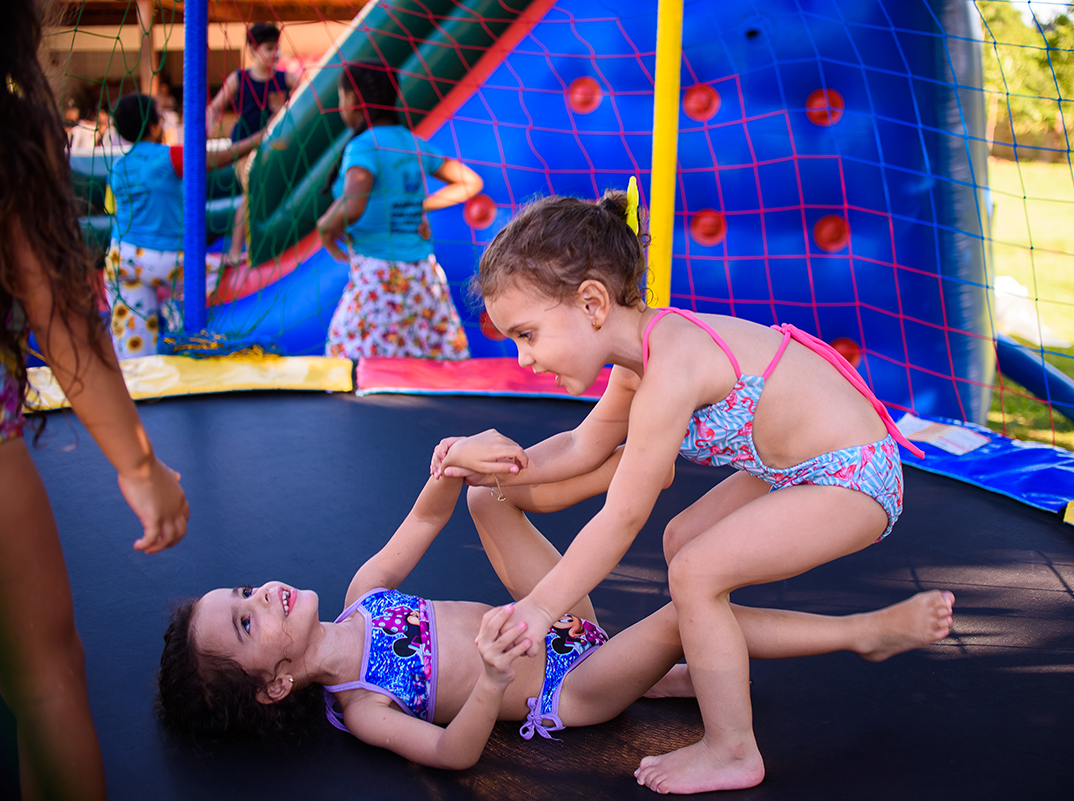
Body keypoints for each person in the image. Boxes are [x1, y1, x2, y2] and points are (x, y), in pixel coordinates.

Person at [432, 188, 954, 793]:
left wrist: (539, 609)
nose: (523, 359)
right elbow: (580, 446)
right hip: (791, 467)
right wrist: (495, 468)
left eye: (527, 335)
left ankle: (732, 749)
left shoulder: (672, 366)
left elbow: (623, 516)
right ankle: (722, 661)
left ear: (592, 303)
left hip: (852, 475)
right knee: (684, 542)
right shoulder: (638, 361)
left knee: (696, 572)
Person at [155, 431, 953, 768]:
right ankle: (862, 631)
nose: (260, 593)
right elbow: (453, 753)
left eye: (242, 590)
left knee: (485, 496)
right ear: (275, 683)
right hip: (568, 687)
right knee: (685, 615)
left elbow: (426, 516)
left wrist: (453, 460)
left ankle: (622, 465)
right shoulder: (364, 704)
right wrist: (494, 680)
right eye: (247, 619)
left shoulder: (364, 596)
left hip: (563, 619)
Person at [0, 2, 190, 798]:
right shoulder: (10, 127)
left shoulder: (121, 162)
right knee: (44, 676)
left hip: (138, 261)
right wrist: (140, 466)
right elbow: (63, 316)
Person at [315, 59, 481, 360]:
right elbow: (470, 182)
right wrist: (420, 206)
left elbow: (354, 204)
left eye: (340, 97)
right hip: (422, 276)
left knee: (347, 358)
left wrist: (326, 226)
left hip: (380, 277)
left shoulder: (363, 146)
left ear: (351, 99)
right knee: (430, 362)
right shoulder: (412, 143)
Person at [103, 93, 263, 358]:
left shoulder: (117, 168)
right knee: (211, 271)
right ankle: (174, 317)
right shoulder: (168, 156)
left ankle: (137, 370)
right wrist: (259, 138)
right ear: (153, 126)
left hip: (120, 258)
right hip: (161, 260)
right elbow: (217, 158)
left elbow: (112, 209)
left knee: (134, 345)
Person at [205, 22, 297, 266]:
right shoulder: (240, 78)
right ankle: (236, 251)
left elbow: (308, 94)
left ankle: (270, 245)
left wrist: (285, 107)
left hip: (274, 144)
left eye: (277, 48)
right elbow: (214, 107)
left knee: (273, 190)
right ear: (254, 51)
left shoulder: (284, 79)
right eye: (269, 48)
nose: (275, 53)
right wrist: (206, 128)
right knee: (253, 189)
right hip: (244, 145)